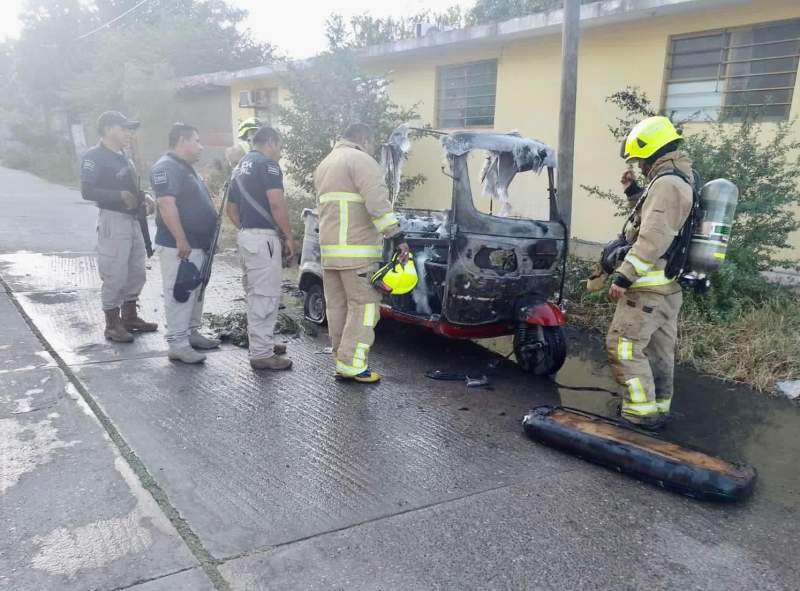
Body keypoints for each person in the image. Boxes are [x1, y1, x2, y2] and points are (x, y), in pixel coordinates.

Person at [605, 116, 694, 429]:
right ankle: (656, 408)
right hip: (667, 289)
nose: (640, 166)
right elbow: (654, 219)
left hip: (647, 288)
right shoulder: (677, 179)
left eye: (641, 160)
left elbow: (654, 236)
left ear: (653, 152)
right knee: (657, 350)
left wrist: (624, 275)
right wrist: (633, 191)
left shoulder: (667, 184)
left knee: (625, 346)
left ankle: (639, 415)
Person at [313, 123, 409, 383]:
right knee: (366, 307)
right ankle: (353, 365)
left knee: (338, 308)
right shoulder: (361, 160)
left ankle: (341, 360)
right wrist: (396, 236)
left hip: (331, 253)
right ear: (363, 138)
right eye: (372, 142)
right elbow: (377, 202)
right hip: (357, 252)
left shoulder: (326, 164)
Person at [80, 111, 158, 343]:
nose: (128, 134)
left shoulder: (124, 155)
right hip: (113, 221)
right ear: (107, 130)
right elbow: (87, 190)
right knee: (115, 272)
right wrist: (118, 195)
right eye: (123, 129)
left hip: (133, 220)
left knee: (136, 270)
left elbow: (131, 187)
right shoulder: (94, 156)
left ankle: (130, 316)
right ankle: (112, 324)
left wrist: (146, 198)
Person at [150, 123, 221, 364]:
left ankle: (191, 332)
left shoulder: (186, 168)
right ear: (182, 141)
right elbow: (166, 204)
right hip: (178, 245)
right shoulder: (166, 167)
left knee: (195, 291)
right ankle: (178, 343)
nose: (201, 147)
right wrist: (181, 238)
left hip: (198, 243)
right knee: (180, 291)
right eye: (197, 141)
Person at [226, 126, 294, 371]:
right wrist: (288, 236)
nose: (280, 152)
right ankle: (262, 354)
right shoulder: (267, 165)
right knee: (265, 296)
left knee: (255, 294)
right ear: (272, 142)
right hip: (263, 238)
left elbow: (230, 209)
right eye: (280, 146)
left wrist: (247, 228)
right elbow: (276, 203)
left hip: (246, 236)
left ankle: (262, 342)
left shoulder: (239, 167)